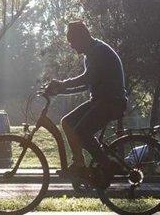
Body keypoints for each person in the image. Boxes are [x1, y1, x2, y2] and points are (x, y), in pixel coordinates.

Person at [45, 20, 127, 183]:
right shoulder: (91, 53)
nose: (71, 46)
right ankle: (79, 164)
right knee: (67, 122)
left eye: (72, 41)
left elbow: (87, 78)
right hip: (100, 101)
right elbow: (88, 83)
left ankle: (107, 164)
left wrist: (63, 84)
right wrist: (61, 90)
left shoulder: (98, 51)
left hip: (111, 102)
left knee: (82, 132)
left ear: (82, 38)